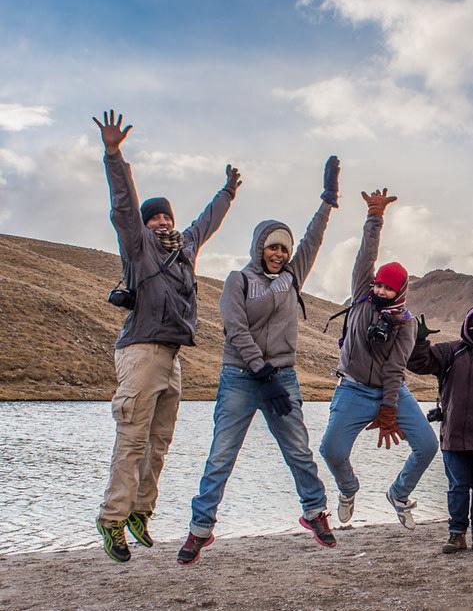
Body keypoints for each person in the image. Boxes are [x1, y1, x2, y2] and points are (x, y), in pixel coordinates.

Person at [176, 156, 341, 565]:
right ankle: (200, 529)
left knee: (299, 451)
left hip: (282, 377)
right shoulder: (239, 280)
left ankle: (315, 513)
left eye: (284, 247)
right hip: (241, 377)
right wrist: (261, 372)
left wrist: (328, 200)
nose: (280, 253)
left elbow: (313, 240)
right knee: (221, 455)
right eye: (273, 246)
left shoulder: (291, 277)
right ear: (259, 247)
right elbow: (236, 330)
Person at [92, 109, 240, 563]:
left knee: (159, 441)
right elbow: (122, 205)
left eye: (164, 217)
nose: (160, 222)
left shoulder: (185, 247)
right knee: (132, 438)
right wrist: (114, 155)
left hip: (172, 355)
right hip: (140, 351)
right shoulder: (137, 245)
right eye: (153, 218)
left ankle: (141, 511)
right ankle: (112, 519)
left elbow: (206, 221)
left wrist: (228, 192)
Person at [319, 188, 438, 530]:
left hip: (391, 391)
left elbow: (395, 368)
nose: (381, 291)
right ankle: (348, 489)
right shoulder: (361, 295)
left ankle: (399, 494)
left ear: (400, 291)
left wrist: (389, 409)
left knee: (427, 446)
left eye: (388, 288)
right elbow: (365, 257)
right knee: (331, 450)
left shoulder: (406, 323)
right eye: (380, 286)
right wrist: (375, 217)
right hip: (353, 389)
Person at [407, 306, 473, 554]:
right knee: (457, 486)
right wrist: (419, 341)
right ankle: (456, 535)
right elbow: (419, 363)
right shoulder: (450, 352)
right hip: (455, 433)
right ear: (466, 326)